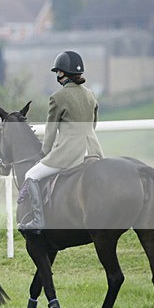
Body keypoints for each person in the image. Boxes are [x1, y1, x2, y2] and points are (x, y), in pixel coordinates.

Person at [18, 50, 105, 233]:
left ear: (62, 73)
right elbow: (93, 124)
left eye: (58, 72)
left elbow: (50, 131)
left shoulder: (57, 97)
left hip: (69, 154)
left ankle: (38, 221)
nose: (57, 75)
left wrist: (44, 154)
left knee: (31, 176)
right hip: (93, 151)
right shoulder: (90, 95)